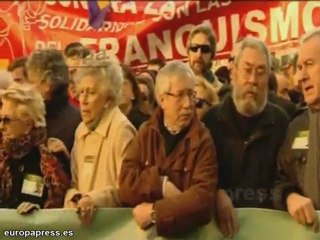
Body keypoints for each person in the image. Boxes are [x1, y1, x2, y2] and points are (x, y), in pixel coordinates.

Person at [203, 37, 289, 238]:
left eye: (260, 72)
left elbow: (287, 176)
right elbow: (196, 175)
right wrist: (215, 191)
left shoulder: (282, 122)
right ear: (233, 73)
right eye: (247, 69)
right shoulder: (210, 122)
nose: (253, 80)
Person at [118, 61, 218, 237]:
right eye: (180, 95)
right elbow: (126, 184)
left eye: (191, 94)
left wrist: (156, 211)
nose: (188, 104)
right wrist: (161, 184)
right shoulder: (146, 133)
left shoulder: (203, 139)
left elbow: (203, 200)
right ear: (162, 99)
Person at [64, 60, 136, 225]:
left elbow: (129, 189)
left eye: (91, 92)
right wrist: (74, 197)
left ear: (109, 100)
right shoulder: (81, 130)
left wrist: (94, 199)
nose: (83, 100)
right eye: (81, 92)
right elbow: (73, 182)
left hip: (113, 228)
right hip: (84, 227)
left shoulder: (122, 130)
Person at [273, 28, 320, 233]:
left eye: (309, 64)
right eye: (299, 67)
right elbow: (279, 180)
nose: (301, 76)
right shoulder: (296, 126)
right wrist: (289, 196)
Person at [0, 83, 70, 213]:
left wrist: (38, 212)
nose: (1, 126)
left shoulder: (51, 159)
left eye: (7, 120)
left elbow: (61, 208)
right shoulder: (3, 157)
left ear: (28, 125)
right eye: (0, 120)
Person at [27, 49, 81, 153]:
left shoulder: (78, 125)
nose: (28, 90)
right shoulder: (78, 119)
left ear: (47, 81)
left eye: (31, 82)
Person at [187, 24, 223, 90]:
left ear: (212, 55)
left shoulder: (222, 94)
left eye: (205, 49)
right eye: (194, 48)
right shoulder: (175, 88)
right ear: (188, 53)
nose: (199, 54)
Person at [119, 64, 150, 130]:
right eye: (114, 83)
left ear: (133, 92)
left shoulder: (146, 125)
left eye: (123, 83)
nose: (119, 88)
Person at [64, 42, 91, 108]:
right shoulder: (59, 100)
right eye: (67, 71)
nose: (69, 77)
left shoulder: (99, 101)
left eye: (74, 72)